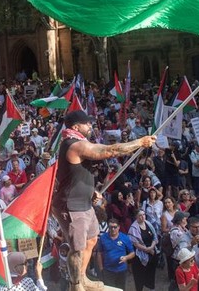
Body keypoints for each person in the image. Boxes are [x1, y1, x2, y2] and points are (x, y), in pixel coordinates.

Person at [52, 109, 155, 291]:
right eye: (87, 123)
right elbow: (111, 150)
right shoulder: (75, 145)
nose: (91, 126)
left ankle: (82, 278)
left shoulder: (78, 142)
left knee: (91, 240)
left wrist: (92, 192)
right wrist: (139, 142)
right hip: (72, 205)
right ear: (76, 127)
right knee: (77, 248)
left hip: (84, 201)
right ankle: (76, 285)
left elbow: (76, 175)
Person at [96, 218, 135, 289]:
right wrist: (101, 268)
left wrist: (126, 257)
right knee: (109, 289)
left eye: (115, 227)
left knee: (120, 289)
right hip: (108, 270)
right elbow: (99, 253)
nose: (113, 229)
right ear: (108, 227)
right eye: (111, 227)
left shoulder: (124, 237)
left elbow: (132, 253)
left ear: (119, 227)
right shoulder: (103, 238)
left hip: (121, 270)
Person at [128, 209, 158, 291]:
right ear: (136, 217)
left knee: (151, 272)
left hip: (152, 252)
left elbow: (155, 237)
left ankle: (151, 287)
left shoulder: (148, 224)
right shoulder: (133, 228)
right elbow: (136, 244)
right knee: (139, 276)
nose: (142, 217)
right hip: (139, 256)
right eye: (140, 215)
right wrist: (148, 250)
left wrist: (151, 247)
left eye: (144, 215)